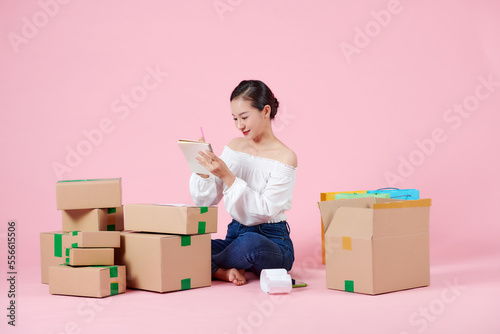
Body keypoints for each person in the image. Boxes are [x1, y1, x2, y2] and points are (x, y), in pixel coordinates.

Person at [189, 80, 297, 286]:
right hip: (235, 236)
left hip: (272, 240)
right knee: (191, 245)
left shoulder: (286, 157)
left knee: (250, 244)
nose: (240, 125)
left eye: (245, 117)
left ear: (266, 111)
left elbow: (264, 210)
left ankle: (205, 265)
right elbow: (206, 201)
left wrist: (228, 177)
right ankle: (222, 270)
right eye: (235, 119)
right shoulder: (234, 146)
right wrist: (204, 170)